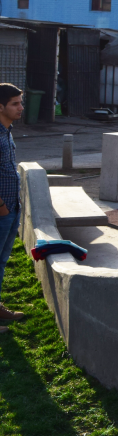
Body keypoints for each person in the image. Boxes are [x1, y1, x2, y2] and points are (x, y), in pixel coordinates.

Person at [0, 84, 24, 333]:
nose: (21, 108)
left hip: (11, 208)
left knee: (2, 261)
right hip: (2, 210)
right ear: (0, 107)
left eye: (20, 102)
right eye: (15, 104)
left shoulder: (7, 131)